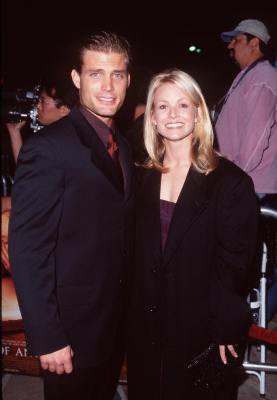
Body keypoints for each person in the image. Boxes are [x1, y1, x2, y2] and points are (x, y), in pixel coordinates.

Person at [8, 31, 134, 400]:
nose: (108, 86)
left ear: (129, 80)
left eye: (118, 74)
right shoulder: (49, 148)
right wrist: (48, 336)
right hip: (70, 332)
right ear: (77, 80)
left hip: (110, 325)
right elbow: (28, 248)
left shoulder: (122, 145)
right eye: (96, 74)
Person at [127, 68, 259, 400]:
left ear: (198, 112)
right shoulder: (138, 176)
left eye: (183, 105)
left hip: (198, 325)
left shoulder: (231, 183)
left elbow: (235, 267)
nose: (173, 115)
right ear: (152, 118)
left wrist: (226, 327)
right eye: (162, 106)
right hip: (145, 323)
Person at [214, 19, 277, 198]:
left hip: (249, 184)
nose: (230, 46)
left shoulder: (262, 79)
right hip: (240, 180)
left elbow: (255, 140)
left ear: (255, 43)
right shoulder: (250, 76)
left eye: (237, 40)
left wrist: (234, 180)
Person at [6, 77, 78, 162]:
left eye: (42, 101)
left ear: (63, 110)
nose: (37, 106)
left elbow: (29, 173)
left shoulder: (59, 143)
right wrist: (14, 131)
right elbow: (26, 170)